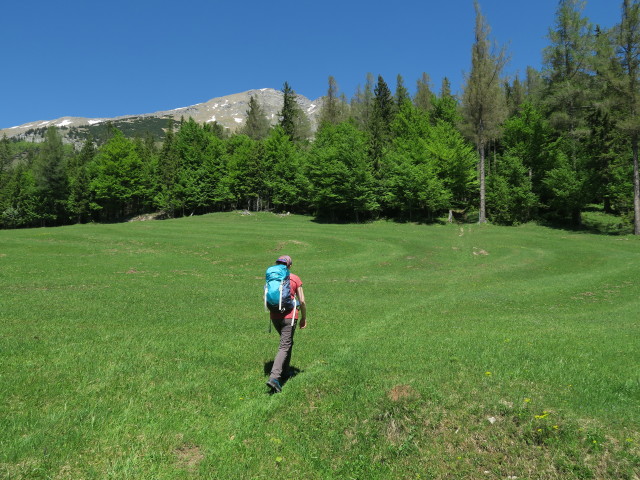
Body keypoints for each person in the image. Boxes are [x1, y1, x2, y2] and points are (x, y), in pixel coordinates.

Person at [266, 255, 307, 393]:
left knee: (287, 342)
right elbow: (302, 301)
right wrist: (304, 318)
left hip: (274, 316)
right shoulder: (295, 278)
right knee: (284, 345)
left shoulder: (272, 278)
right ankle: (275, 378)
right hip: (290, 316)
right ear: (289, 265)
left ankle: (286, 371)